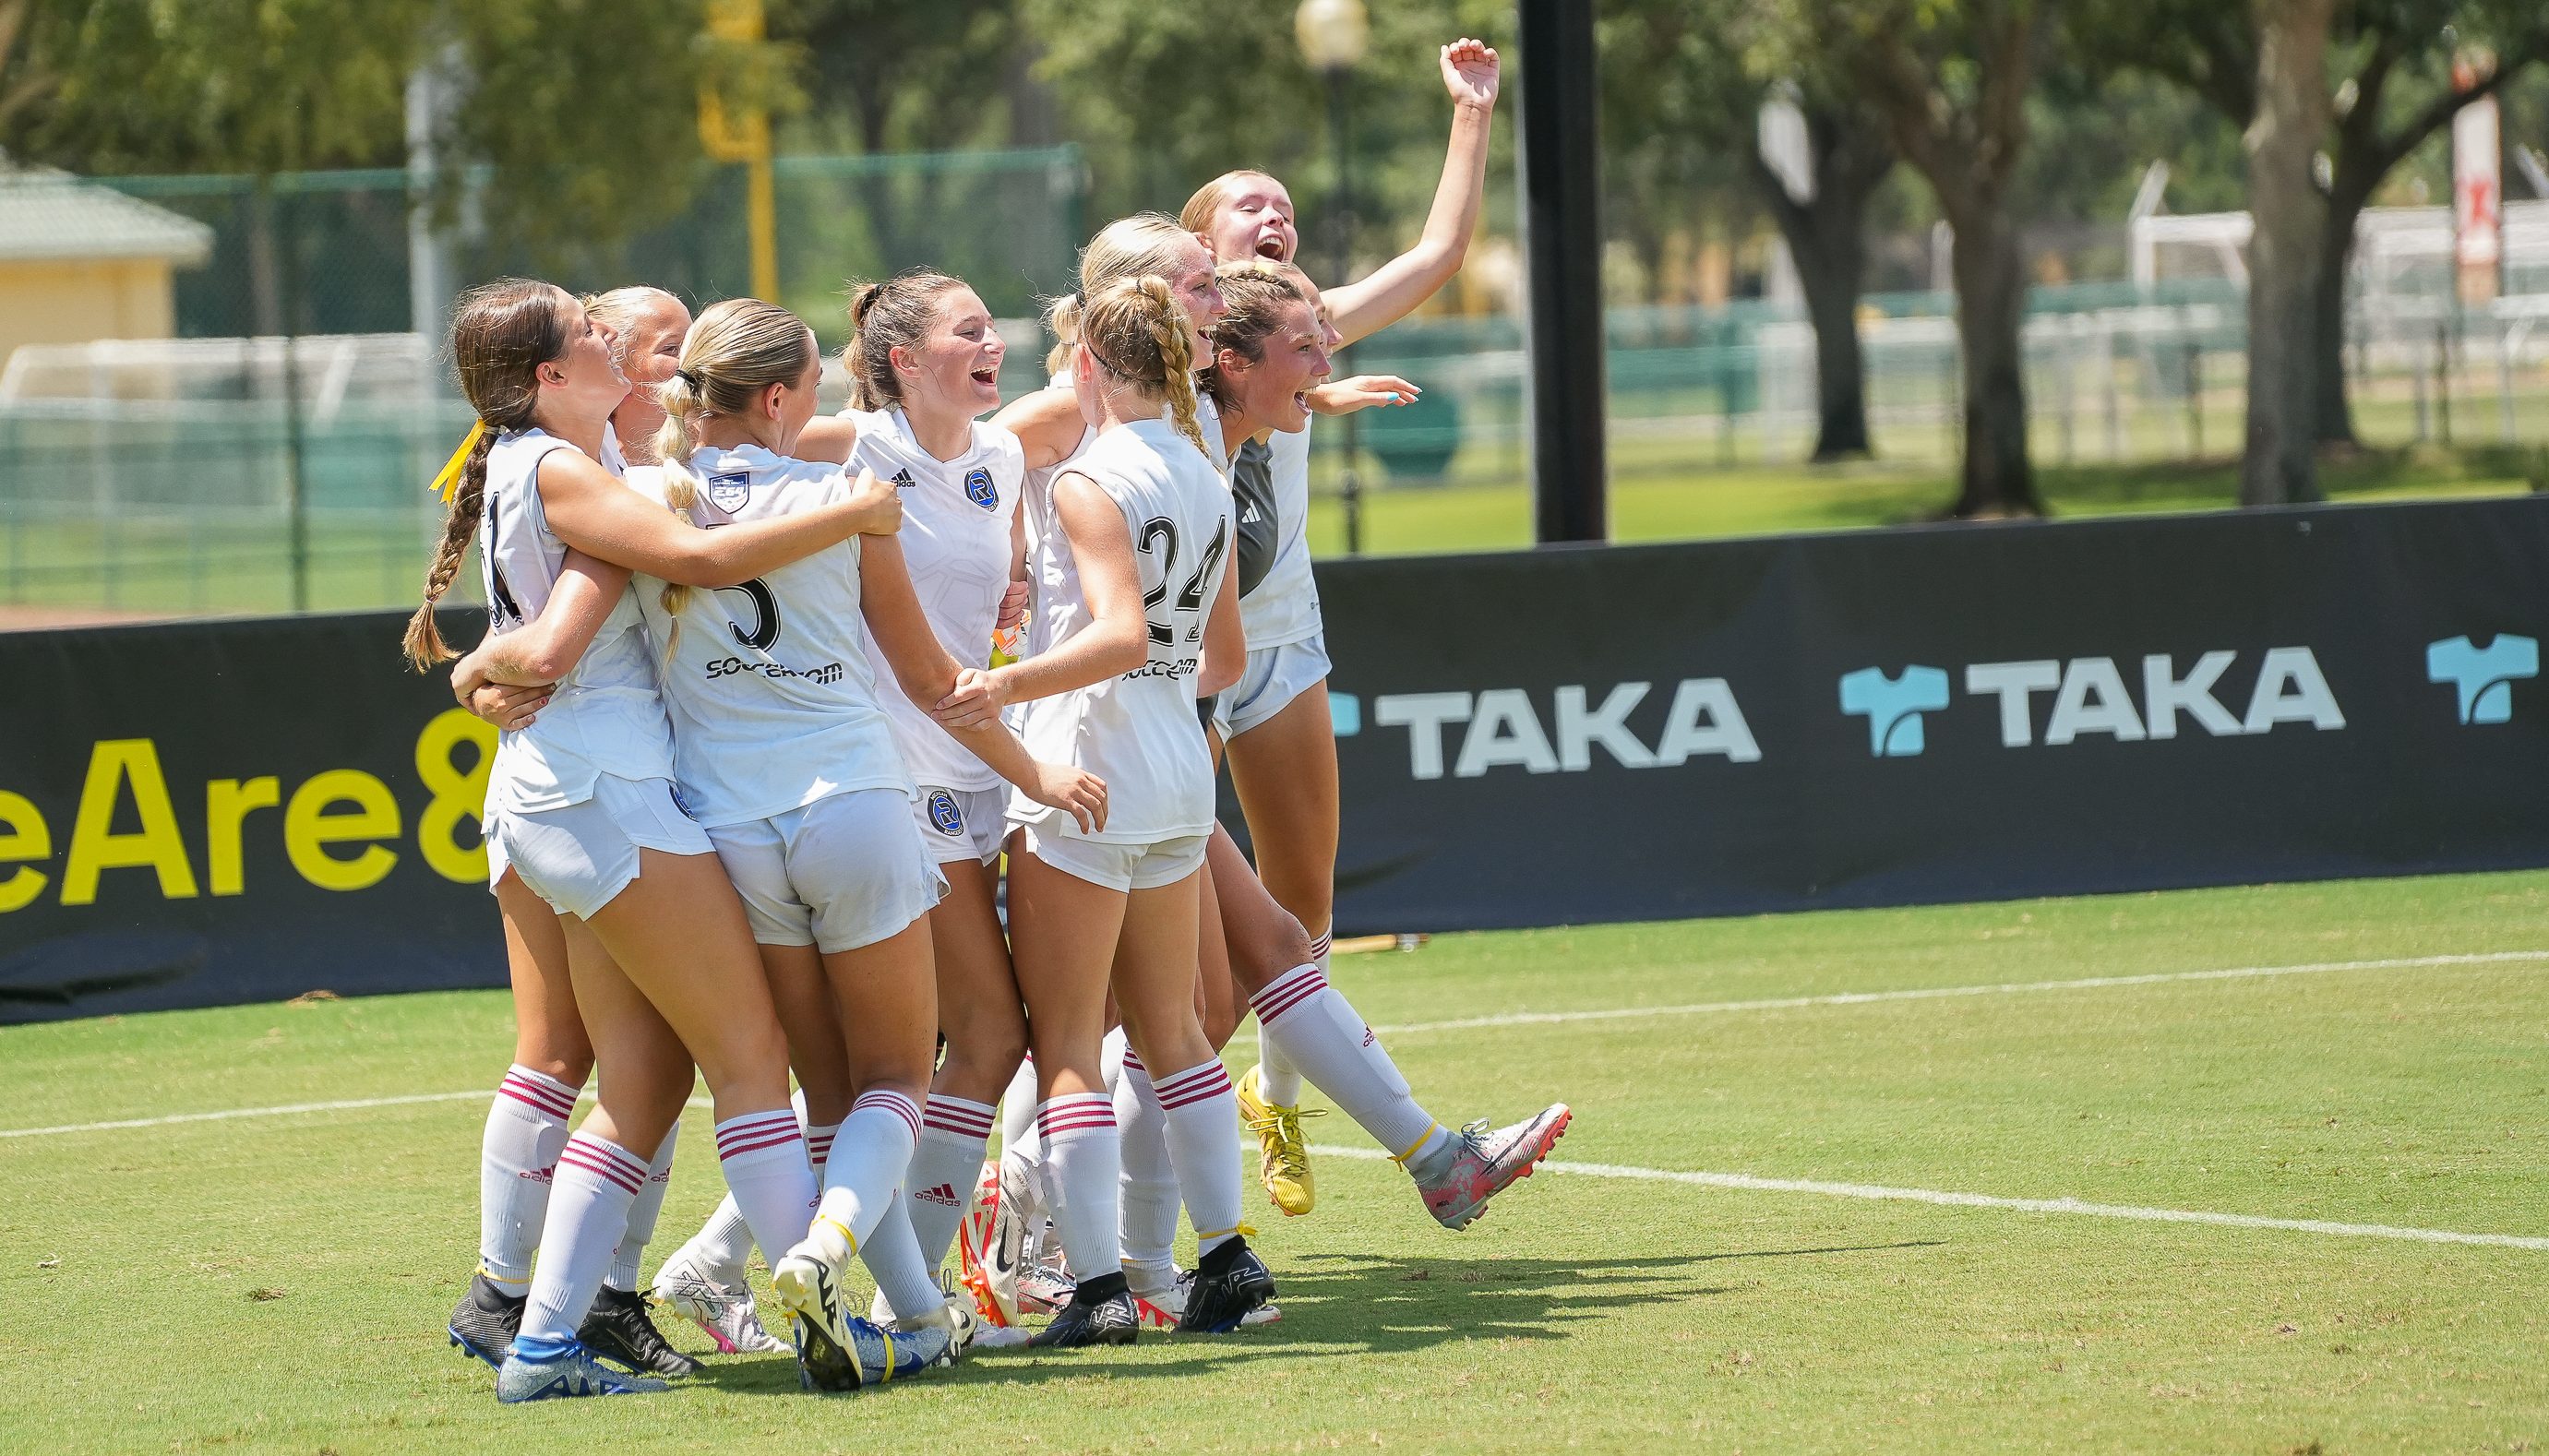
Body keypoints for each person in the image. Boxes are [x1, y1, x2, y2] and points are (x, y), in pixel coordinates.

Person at [406, 278, 911, 1402]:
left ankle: (536, 1346)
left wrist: (478, 673)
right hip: (610, 798)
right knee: (746, 1064)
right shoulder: (567, 470)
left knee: (638, 1085)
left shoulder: (562, 468)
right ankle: (823, 1318)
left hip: (569, 799)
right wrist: (858, 511)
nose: (616, 346)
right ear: (548, 377)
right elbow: (695, 568)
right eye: (591, 336)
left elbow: (531, 649)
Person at [631, 296, 1103, 1388]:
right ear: (790, 397)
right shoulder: (851, 497)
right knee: (901, 1074)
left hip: (728, 825)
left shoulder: (647, 501)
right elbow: (935, 682)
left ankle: (902, 1310)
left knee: (818, 1084)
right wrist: (1037, 771)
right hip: (856, 801)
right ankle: (820, 1250)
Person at [1179, 38, 1508, 1212]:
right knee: (1183, 927)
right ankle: (1143, 1138)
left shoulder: (1305, 328)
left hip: (1279, 645)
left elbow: (1437, 253)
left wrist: (1467, 114)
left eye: (1283, 208)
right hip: (1176, 662)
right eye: (1245, 208)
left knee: (1302, 905)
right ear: (1195, 246)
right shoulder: (1166, 349)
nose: (1273, 218)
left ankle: (1278, 1104)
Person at [948, 274, 1263, 1345]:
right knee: (1174, 1031)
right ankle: (1224, 1257)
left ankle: (1093, 1291)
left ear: (1086, 364)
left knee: (1071, 1044)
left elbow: (1119, 633)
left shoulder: (1090, 478)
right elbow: (1221, 657)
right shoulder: (1206, 471)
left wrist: (1001, 686)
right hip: (1177, 765)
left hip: (1088, 770)